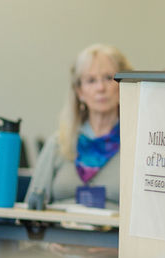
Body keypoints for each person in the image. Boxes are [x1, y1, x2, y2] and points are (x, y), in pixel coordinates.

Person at [26, 44, 132, 209]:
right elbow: (32, 207)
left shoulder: (136, 145)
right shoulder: (59, 143)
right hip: (61, 233)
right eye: (91, 80)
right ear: (79, 92)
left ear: (123, 85)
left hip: (111, 233)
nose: (100, 88)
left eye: (108, 78)